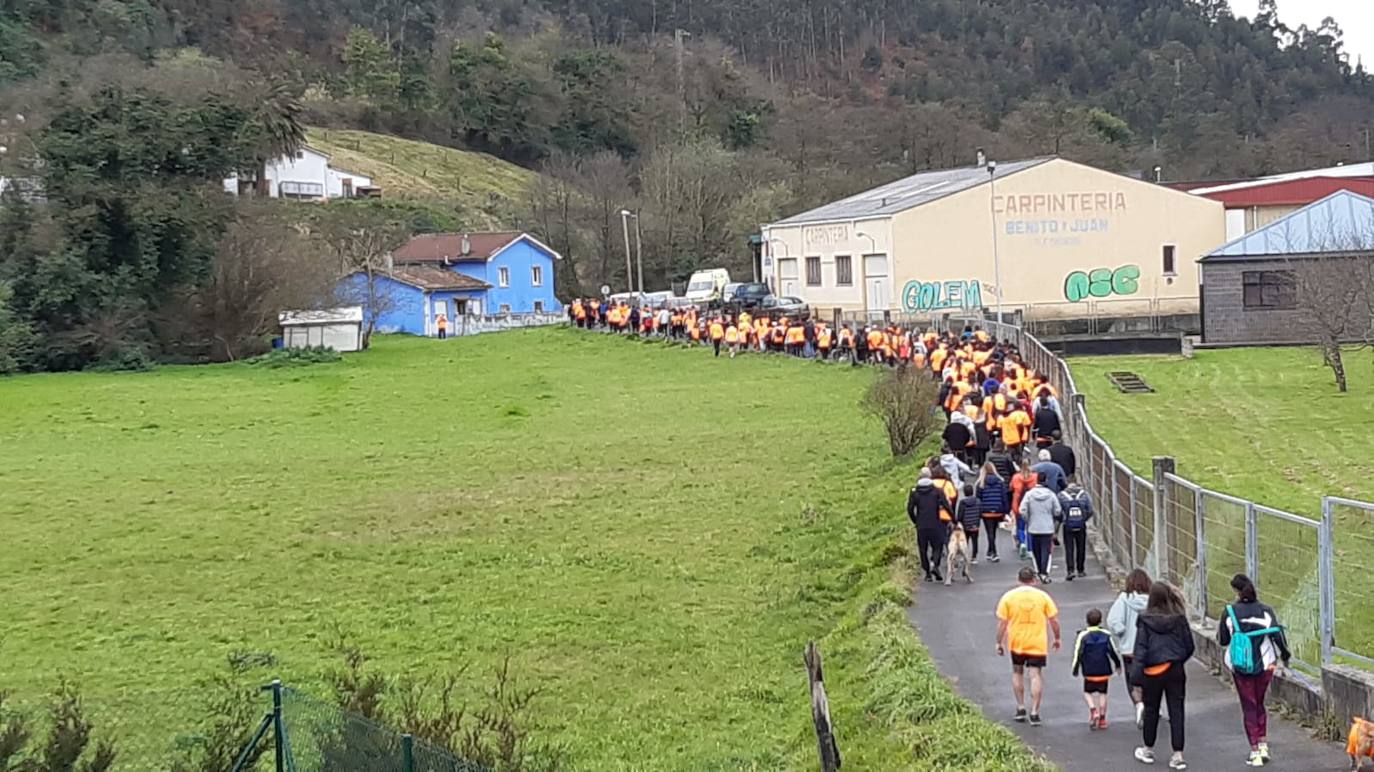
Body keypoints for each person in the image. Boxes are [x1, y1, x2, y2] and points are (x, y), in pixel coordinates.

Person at [1218, 574, 1292, 767]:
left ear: (1236, 591)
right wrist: (1285, 656)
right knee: (1259, 703)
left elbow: (1223, 640)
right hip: (1266, 664)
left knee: (1249, 706)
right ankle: (1263, 743)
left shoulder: (1229, 612)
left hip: (1240, 666)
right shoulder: (1266, 611)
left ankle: (1255, 750)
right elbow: (1278, 637)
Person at [1131, 581, 1194, 770]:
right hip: (1174, 669)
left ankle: (1148, 749)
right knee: (1177, 710)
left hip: (1153, 672)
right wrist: (1177, 660)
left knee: (1151, 710)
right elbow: (1189, 646)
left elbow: (1140, 650)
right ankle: (1178, 755)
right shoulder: (1179, 619)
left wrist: (1135, 678)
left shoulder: (1145, 620)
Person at [996, 566, 1062, 726]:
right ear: (1034, 580)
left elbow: (1002, 623)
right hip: (1037, 642)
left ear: (1018, 580)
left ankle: (1020, 707)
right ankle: (1034, 711)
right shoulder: (1043, 596)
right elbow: (1053, 620)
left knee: (1017, 672)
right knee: (1035, 675)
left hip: (1017, 641)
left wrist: (999, 641)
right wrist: (1057, 637)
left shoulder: (1008, 597)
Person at [1107, 569, 1153, 728]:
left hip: (1129, 648)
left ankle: (1139, 704)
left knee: (1133, 679)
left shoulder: (1124, 599)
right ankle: (1152, 705)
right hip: (1149, 648)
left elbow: (1113, 620)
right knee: (1151, 677)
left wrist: (1121, 632)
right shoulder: (1152, 601)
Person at [1072, 608, 1122, 730]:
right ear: (1100, 621)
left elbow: (1078, 652)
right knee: (1103, 693)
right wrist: (1118, 664)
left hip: (1089, 670)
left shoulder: (1083, 635)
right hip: (1104, 670)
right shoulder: (1106, 635)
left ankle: (1093, 710)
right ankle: (1103, 719)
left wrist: (1076, 668)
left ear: (1087, 621)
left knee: (1087, 692)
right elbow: (1112, 651)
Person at [907, 469, 952, 583]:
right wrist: (953, 518)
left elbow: (910, 509)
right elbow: (946, 506)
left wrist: (915, 521)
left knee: (923, 549)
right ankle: (935, 564)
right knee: (938, 545)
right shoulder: (937, 491)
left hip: (921, 525)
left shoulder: (914, 492)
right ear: (930, 477)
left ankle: (927, 573)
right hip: (936, 523)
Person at [1018, 473, 1062, 583]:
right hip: (1047, 527)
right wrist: (1051, 516)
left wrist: (1028, 519)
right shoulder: (1051, 495)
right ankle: (1044, 573)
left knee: (1036, 550)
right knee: (1045, 551)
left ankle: (1038, 571)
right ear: (1046, 480)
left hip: (1034, 527)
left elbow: (1022, 510)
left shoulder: (1029, 494)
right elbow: (1058, 510)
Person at [1059, 482, 1094, 581]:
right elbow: (1090, 510)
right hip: (1081, 525)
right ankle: (1080, 569)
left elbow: (1058, 510)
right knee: (1081, 547)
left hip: (1068, 525)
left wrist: (1063, 520)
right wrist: (1083, 519)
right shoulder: (1084, 495)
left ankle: (1070, 570)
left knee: (1069, 548)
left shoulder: (1062, 495)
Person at [977, 463, 1010, 563]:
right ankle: (990, 551)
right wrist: (1006, 511)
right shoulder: (1000, 482)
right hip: (998, 510)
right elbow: (1004, 497)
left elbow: (978, 499)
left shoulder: (981, 483)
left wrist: (979, 511)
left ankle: (993, 552)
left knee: (989, 532)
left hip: (986, 511)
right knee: (993, 532)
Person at [954, 482, 982, 574]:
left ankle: (964, 556)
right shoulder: (978, 501)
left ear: (965, 493)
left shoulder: (962, 503)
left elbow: (960, 515)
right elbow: (980, 512)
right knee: (975, 541)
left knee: (965, 541)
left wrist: (959, 521)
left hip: (965, 526)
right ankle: (974, 557)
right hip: (975, 525)